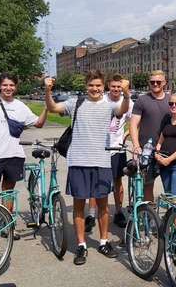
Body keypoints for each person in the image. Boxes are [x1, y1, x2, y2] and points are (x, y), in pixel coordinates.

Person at [44, 70, 130, 265]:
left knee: (102, 206)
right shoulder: (76, 103)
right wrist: (47, 91)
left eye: (98, 85)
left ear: (103, 87)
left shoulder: (109, 105)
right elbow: (53, 108)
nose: (95, 89)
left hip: (101, 161)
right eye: (91, 85)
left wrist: (126, 94)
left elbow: (122, 110)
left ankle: (103, 241)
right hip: (78, 161)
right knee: (80, 205)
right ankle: (82, 245)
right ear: (86, 86)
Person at [0, 73, 48, 240]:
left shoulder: (20, 106)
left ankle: (6, 225)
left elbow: (38, 123)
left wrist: (45, 108)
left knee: (8, 192)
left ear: (15, 87)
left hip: (14, 155)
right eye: (5, 85)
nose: (8, 88)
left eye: (12, 85)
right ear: (0, 86)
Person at [85, 74, 134, 233]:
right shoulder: (102, 100)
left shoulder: (128, 102)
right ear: (108, 87)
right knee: (95, 181)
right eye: (113, 86)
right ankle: (91, 215)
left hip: (116, 147)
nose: (116, 89)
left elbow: (134, 122)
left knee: (117, 180)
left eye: (119, 87)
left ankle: (118, 212)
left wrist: (126, 135)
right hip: (98, 147)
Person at [129, 70, 170, 202]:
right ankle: (150, 218)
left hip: (167, 150)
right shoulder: (142, 100)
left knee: (170, 188)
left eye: (158, 82)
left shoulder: (171, 101)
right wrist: (136, 146)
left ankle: (172, 219)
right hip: (147, 150)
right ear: (149, 83)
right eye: (152, 82)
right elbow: (133, 124)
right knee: (147, 186)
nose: (155, 84)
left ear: (164, 82)